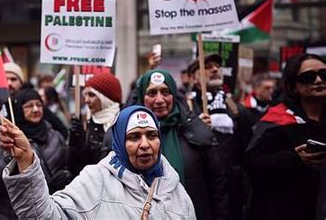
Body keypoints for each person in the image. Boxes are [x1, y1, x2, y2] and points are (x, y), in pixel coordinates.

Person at [0, 105, 196, 219]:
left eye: (151, 135)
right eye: (134, 137)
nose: (145, 144)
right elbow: (44, 216)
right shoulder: (96, 180)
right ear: (119, 142)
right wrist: (25, 159)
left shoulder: (176, 191)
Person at [138, 69, 228, 220]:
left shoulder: (196, 132)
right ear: (142, 97)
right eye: (152, 93)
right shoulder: (128, 138)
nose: (159, 100)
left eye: (165, 92)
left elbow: (217, 186)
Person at [245, 53, 326, 220]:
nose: (319, 80)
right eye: (308, 77)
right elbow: (252, 164)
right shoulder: (278, 119)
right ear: (293, 85)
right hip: (290, 209)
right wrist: (294, 159)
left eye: (324, 74)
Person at [0, 89, 70, 219]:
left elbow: (67, 166)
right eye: (29, 106)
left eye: (39, 105)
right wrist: (9, 158)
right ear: (17, 109)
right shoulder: (4, 138)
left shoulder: (55, 136)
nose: (35, 109)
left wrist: (65, 177)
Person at [187, 54, 252, 219]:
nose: (215, 69)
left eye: (217, 66)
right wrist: (196, 126)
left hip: (232, 190)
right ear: (194, 78)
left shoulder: (236, 109)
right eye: (207, 67)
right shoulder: (186, 109)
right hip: (202, 189)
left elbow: (248, 150)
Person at [68, 72, 122, 175]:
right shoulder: (86, 124)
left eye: (92, 95)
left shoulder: (125, 122)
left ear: (106, 98)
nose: (86, 100)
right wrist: (76, 146)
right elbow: (79, 168)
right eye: (85, 95)